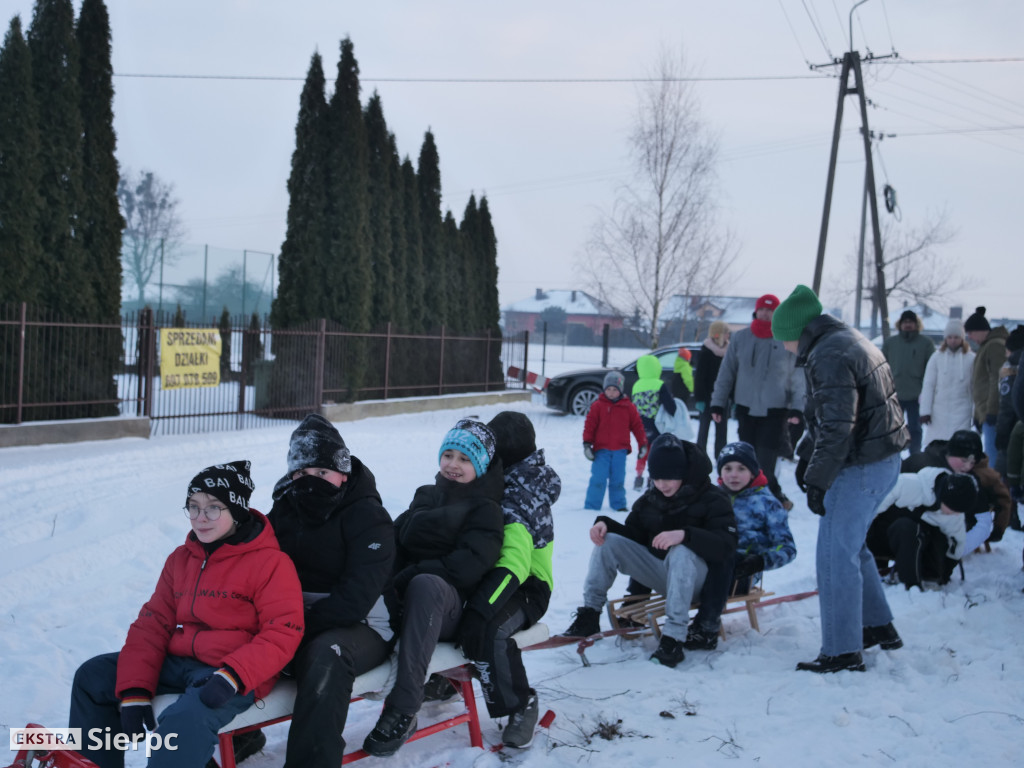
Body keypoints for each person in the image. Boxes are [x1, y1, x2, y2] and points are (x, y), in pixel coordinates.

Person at [69, 461, 304, 768]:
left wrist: (234, 674)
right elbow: (152, 624)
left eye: (213, 508)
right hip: (181, 662)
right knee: (92, 677)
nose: (200, 518)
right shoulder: (182, 559)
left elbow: (283, 631)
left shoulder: (271, 564)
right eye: (193, 507)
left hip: (231, 673)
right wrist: (135, 688)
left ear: (236, 510)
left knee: (183, 721)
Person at [771, 284, 909, 674]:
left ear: (797, 331)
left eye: (784, 339)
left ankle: (842, 651)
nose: (783, 347)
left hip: (861, 464)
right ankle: (876, 625)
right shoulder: (846, 339)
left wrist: (817, 479)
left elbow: (837, 426)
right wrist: (806, 459)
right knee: (851, 546)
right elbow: (838, 415)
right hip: (880, 458)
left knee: (834, 554)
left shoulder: (828, 355)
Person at [362, 419, 504, 757]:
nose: (453, 465)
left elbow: (467, 567)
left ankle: (405, 707)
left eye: (465, 459)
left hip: (450, 605)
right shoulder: (426, 494)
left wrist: (409, 576)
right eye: (448, 455)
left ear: (480, 464)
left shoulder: (486, 509)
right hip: (409, 594)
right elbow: (394, 540)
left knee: (425, 585)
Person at [264, 414, 395, 768]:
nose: (312, 483)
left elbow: (356, 598)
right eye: (302, 474)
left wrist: (294, 630)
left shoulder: (368, 515)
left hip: (360, 626)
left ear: (342, 472)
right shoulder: (283, 511)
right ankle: (234, 737)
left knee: (326, 655)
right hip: (294, 621)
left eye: (322, 473)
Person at [561, 433, 736, 669]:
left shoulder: (714, 498)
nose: (662, 485)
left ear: (683, 474)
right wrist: (606, 525)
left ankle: (673, 638)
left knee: (681, 551)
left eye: (669, 478)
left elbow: (726, 545)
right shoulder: (650, 499)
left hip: (702, 584)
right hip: (666, 576)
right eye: (656, 478)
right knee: (610, 541)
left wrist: (686, 535)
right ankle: (589, 615)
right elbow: (634, 535)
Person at [458, 411, 561, 749]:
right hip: (494, 573)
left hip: (528, 583)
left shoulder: (519, 495)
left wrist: (482, 607)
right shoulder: (503, 479)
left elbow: (515, 563)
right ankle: (448, 679)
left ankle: (521, 703)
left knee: (493, 629)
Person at [684, 441, 797, 651]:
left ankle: (707, 624)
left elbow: (787, 548)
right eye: (727, 468)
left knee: (726, 555)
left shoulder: (767, 502)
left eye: (741, 469)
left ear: (753, 471)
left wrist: (760, 561)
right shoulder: (712, 496)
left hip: (741, 573)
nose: (733, 475)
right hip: (705, 565)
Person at [710, 293, 806, 511]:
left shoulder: (787, 339)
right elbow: (727, 373)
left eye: (770, 310)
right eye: (762, 309)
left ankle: (772, 498)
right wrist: (718, 402)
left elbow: (797, 377)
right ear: (756, 311)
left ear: (777, 314)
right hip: (745, 408)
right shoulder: (741, 338)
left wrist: (798, 408)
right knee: (748, 458)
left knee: (766, 459)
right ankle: (758, 496)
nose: (766, 313)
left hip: (775, 409)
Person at [867, 469, 985, 590]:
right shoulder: (907, 485)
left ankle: (930, 578)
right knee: (906, 527)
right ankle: (911, 587)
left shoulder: (954, 515)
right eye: (954, 510)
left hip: (916, 547)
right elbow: (870, 510)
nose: (956, 515)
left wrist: (945, 574)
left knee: (936, 534)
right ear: (945, 499)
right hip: (880, 536)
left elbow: (956, 544)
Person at [901, 429, 1013, 544]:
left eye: (972, 463)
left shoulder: (972, 477)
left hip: (951, 534)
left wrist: (997, 528)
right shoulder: (921, 464)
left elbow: (998, 501)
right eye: (963, 460)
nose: (967, 466)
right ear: (950, 453)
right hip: (907, 528)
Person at [583, 370, 648, 511]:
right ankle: (591, 507)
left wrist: (642, 444)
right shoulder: (597, 406)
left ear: (621, 390)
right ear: (604, 389)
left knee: (618, 480)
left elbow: (638, 427)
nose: (611, 392)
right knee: (598, 480)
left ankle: (618, 505)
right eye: (608, 389)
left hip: (620, 451)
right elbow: (590, 425)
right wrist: (587, 444)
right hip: (601, 451)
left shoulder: (628, 407)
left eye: (615, 389)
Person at [882, 309, 935, 455]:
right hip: (894, 393)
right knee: (892, 428)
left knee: (915, 428)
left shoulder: (926, 343)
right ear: (900, 324)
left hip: (916, 394)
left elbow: (931, 368)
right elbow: (882, 366)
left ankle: (915, 455)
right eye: (905, 322)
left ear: (916, 324)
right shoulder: (890, 343)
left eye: (911, 322)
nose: (908, 325)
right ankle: (892, 454)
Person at [919, 318, 975, 443]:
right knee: (937, 446)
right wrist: (925, 411)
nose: (953, 340)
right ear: (945, 338)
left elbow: (974, 387)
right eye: (949, 337)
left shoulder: (971, 359)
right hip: (939, 412)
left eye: (956, 337)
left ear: (962, 338)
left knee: (959, 446)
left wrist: (975, 413)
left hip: (962, 411)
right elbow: (928, 385)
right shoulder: (936, 357)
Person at [964, 306, 1009, 460]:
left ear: (980, 330)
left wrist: (991, 411)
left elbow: (997, 379)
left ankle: (995, 484)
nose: (969, 337)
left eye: (970, 332)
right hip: (986, 411)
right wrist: (978, 414)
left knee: (993, 458)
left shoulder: (994, 345)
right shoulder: (986, 346)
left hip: (993, 413)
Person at [631, 354, 677, 490]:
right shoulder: (659, 385)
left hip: (640, 426)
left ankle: (638, 476)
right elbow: (670, 407)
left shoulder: (636, 385)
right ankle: (652, 478)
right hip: (656, 425)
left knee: (643, 451)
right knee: (655, 453)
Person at [694, 320, 731, 458]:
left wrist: (732, 398)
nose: (728, 335)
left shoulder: (730, 352)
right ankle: (700, 457)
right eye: (726, 332)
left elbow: (732, 377)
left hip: (723, 398)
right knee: (703, 430)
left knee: (722, 431)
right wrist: (700, 399)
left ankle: (721, 457)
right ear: (720, 334)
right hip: (707, 397)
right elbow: (699, 377)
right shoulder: (706, 351)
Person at [995, 326, 1024, 481]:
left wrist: (1001, 433)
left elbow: (1007, 407)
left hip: (1013, 433)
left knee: (1004, 478)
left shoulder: (1011, 371)